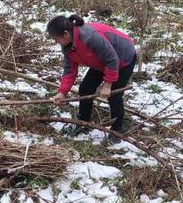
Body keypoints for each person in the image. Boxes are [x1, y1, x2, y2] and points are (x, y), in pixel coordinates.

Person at [47, 14, 136, 143]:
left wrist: (108, 84)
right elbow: (69, 70)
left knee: (114, 95)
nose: (56, 42)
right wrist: (62, 92)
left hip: (122, 58)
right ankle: (84, 122)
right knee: (85, 88)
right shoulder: (67, 46)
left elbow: (112, 59)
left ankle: (117, 130)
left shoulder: (89, 36)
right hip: (101, 61)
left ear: (66, 34)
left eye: (56, 39)